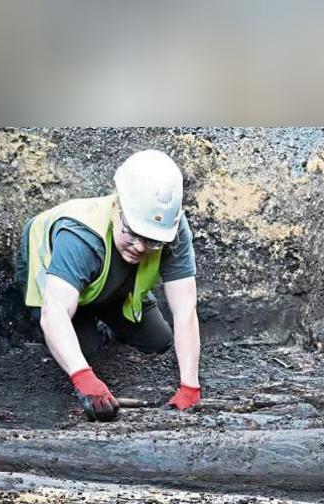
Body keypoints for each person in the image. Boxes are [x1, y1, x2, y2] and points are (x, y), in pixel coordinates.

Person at [15, 149, 201, 421]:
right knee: (84, 350)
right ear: (118, 208)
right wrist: (85, 380)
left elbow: (185, 308)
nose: (140, 247)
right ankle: (87, 321)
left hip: (108, 281)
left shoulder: (170, 230)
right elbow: (54, 312)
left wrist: (189, 387)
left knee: (159, 340)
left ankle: (105, 315)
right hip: (57, 287)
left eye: (152, 241)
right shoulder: (79, 236)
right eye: (133, 234)